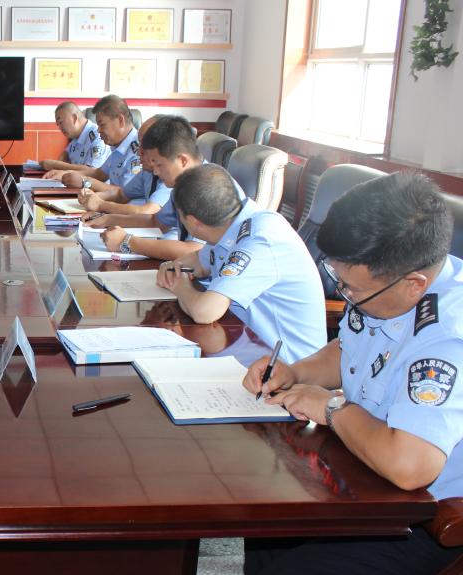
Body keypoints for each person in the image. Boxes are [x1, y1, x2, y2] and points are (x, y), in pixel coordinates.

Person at [242, 172, 463, 574]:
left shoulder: (449, 335)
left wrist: (331, 409)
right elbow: (349, 348)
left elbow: (410, 467)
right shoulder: (385, 289)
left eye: (351, 289)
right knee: (261, 529)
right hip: (362, 470)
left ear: (414, 284)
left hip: (426, 516)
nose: (345, 294)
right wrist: (295, 373)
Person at [154, 164, 326, 362]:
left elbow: (205, 312)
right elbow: (200, 262)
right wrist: (172, 267)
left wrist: (180, 286)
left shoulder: (259, 240)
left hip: (287, 366)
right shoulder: (231, 225)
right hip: (250, 346)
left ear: (193, 221)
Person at [92, 115, 224, 261]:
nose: (155, 172)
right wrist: (107, 219)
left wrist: (127, 241)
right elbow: (157, 222)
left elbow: (195, 251)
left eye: (159, 165)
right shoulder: (183, 182)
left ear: (182, 160)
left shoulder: (207, 186)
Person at [67, 115, 170, 217]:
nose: (139, 152)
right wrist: (92, 197)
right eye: (140, 143)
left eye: (145, 145)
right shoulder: (147, 171)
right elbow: (121, 194)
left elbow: (147, 212)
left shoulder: (168, 175)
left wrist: (101, 205)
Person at [42, 95, 141, 189]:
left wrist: (85, 181)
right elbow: (99, 174)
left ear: (120, 120)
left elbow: (124, 194)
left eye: (102, 124)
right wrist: (65, 174)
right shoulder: (118, 147)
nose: (99, 130)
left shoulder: (139, 151)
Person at [38, 101, 109, 172]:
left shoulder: (98, 137)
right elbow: (64, 155)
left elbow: (92, 171)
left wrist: (56, 165)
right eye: (58, 124)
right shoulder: (76, 136)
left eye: (61, 122)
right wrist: (60, 163)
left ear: (74, 118)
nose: (59, 128)